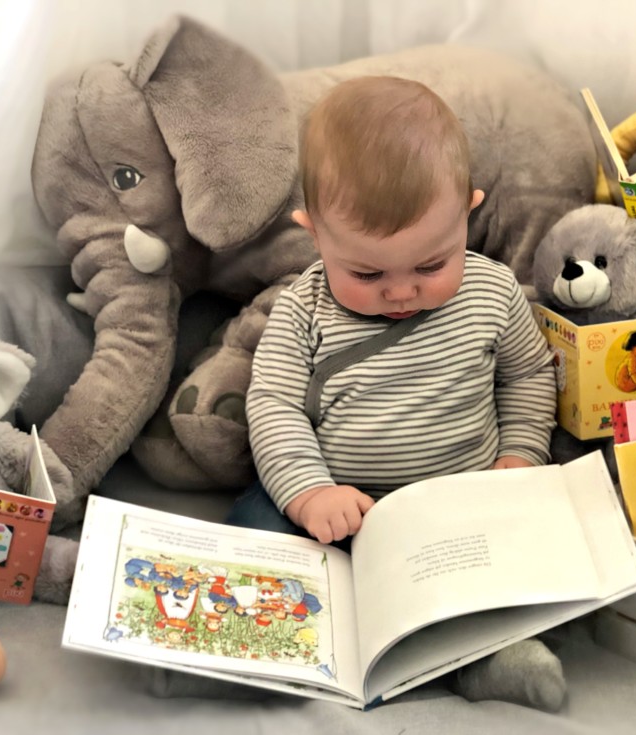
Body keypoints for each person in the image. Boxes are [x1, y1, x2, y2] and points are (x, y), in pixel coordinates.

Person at [227, 75, 564, 711]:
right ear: (314, 232)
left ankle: (487, 658)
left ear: (469, 210)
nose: (402, 292)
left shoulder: (494, 294)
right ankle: (266, 651)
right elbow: (271, 405)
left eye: (432, 265)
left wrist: (521, 459)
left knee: (516, 568)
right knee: (255, 534)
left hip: (459, 510)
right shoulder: (303, 310)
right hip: (336, 509)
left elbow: (526, 374)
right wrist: (308, 492)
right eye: (368, 273)